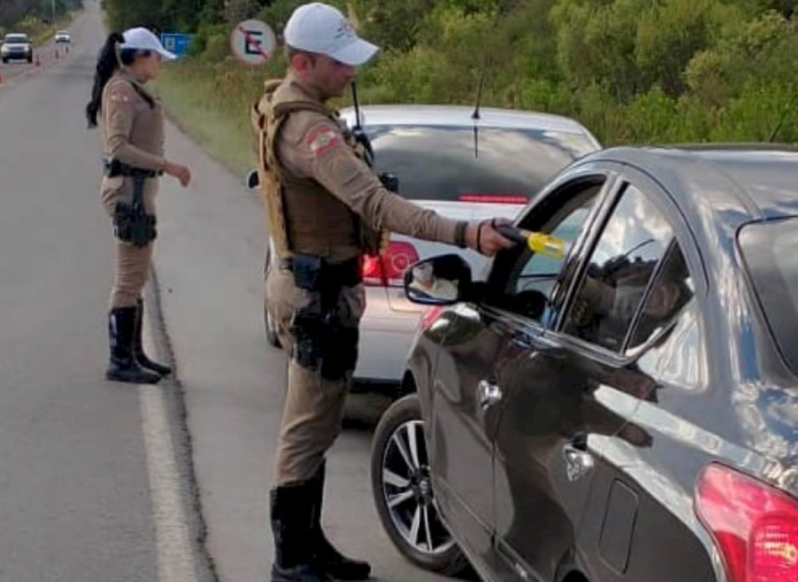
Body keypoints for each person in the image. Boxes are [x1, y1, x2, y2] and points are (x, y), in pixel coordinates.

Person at [250, 4, 514, 580]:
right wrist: (467, 233)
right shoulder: (309, 130)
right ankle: (291, 559)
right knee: (307, 429)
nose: (351, 72)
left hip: (316, 286)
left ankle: (308, 546)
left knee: (318, 425)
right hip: (315, 292)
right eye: (339, 63)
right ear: (303, 62)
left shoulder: (297, 109)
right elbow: (373, 202)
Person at [86, 28, 192, 385]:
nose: (160, 63)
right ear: (141, 56)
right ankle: (120, 359)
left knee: (137, 275)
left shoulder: (133, 88)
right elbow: (118, 146)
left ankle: (134, 353)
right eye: (157, 57)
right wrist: (168, 165)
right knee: (129, 277)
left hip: (139, 190)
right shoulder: (121, 90)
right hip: (127, 192)